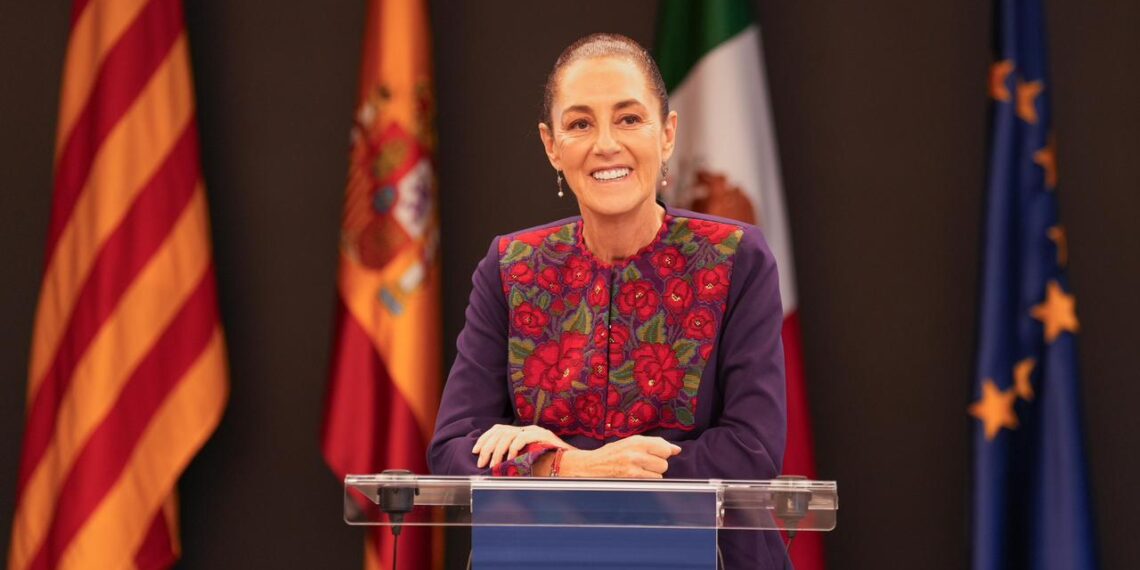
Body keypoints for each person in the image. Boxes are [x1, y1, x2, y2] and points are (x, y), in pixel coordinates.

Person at [427, 33, 788, 568]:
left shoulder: (736, 257)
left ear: (667, 134)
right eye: (580, 124)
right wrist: (573, 467)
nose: (606, 145)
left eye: (628, 118)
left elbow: (751, 450)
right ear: (552, 146)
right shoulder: (510, 266)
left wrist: (592, 466)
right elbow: (452, 451)